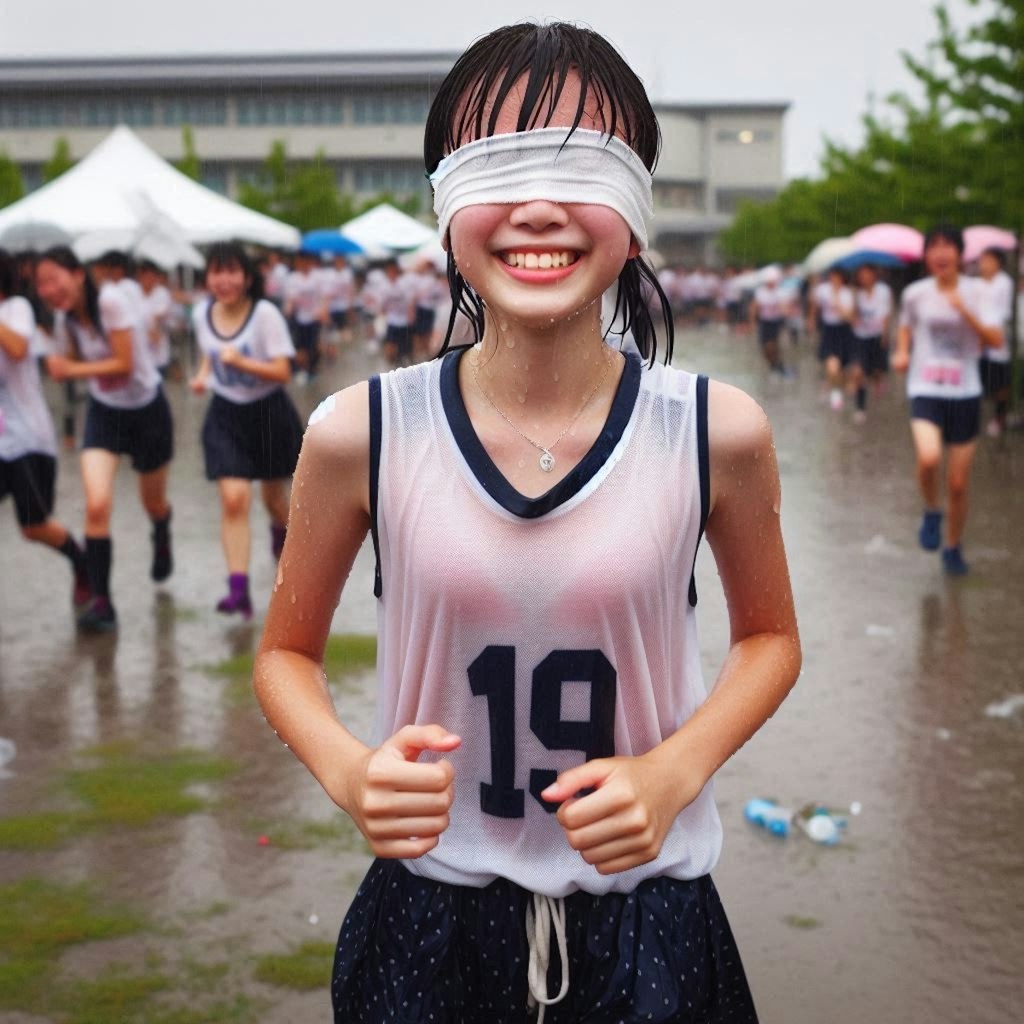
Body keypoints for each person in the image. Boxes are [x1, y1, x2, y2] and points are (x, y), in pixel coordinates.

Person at [253, 21, 800, 1024]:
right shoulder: (357, 432)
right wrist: (346, 769)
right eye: (497, 165)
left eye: (585, 166)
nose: (539, 205)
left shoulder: (716, 430)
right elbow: (285, 653)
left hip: (651, 914)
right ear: (443, 206)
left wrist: (674, 770)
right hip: (430, 909)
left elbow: (768, 637)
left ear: (638, 213)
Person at [35, 246, 174, 632]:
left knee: (153, 501)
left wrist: (73, 368)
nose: (47, 289)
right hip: (104, 413)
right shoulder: (63, 321)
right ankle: (103, 603)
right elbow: (58, 360)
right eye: (40, 283)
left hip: (148, 410)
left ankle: (161, 528)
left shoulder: (111, 301)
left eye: (53, 278)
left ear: (77, 274)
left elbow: (125, 363)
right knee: (96, 505)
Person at [190, 242, 302, 620]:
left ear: (247, 277)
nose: (224, 280)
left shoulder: (265, 314)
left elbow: (283, 372)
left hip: (269, 413)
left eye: (232, 271)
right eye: (216, 272)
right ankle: (238, 589)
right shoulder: (201, 312)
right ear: (207, 277)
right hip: (225, 415)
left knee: (274, 500)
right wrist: (203, 376)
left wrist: (244, 362)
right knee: (234, 499)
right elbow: (210, 351)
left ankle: (280, 537)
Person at [892, 224, 1004, 576]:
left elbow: (996, 340)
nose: (940, 253)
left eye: (947, 246)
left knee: (957, 484)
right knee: (928, 459)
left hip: (966, 391)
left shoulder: (979, 292)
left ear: (960, 253)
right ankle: (930, 510)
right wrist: (902, 351)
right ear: (926, 256)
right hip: (925, 387)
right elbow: (906, 325)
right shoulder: (915, 293)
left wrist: (964, 311)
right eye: (933, 247)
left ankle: (953, 545)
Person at [0, 248, 90, 610]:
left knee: (33, 525)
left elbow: (19, 348)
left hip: (26, 439)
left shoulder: (16, 309)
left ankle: (82, 561)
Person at [975, 247, 1014, 438]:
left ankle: (999, 418)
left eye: (987, 260)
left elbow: (1003, 313)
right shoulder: (976, 284)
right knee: (978, 378)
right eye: (982, 260)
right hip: (978, 338)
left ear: (998, 262)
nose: (983, 263)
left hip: (997, 338)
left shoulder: (1004, 283)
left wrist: (988, 335)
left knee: (1001, 382)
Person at [849, 263, 893, 424]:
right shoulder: (856, 293)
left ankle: (878, 381)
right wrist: (853, 302)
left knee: (877, 372)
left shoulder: (883, 291)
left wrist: (885, 334)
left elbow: (886, 314)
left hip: (878, 337)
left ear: (874, 274)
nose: (864, 277)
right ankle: (860, 408)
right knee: (858, 372)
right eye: (861, 274)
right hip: (861, 338)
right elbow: (852, 318)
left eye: (867, 273)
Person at [808, 266, 854, 410]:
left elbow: (849, 316)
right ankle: (836, 394)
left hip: (843, 331)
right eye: (832, 276)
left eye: (837, 277)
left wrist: (837, 303)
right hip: (828, 330)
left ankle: (834, 384)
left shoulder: (847, 293)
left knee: (840, 367)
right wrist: (812, 319)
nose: (834, 280)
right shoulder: (823, 289)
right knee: (832, 365)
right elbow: (814, 304)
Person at [750, 266, 791, 375]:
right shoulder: (760, 292)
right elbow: (754, 308)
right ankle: (774, 364)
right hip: (764, 322)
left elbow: (786, 310)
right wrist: (753, 322)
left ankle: (778, 365)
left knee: (772, 345)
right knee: (765, 349)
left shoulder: (781, 292)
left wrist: (783, 308)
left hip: (776, 322)